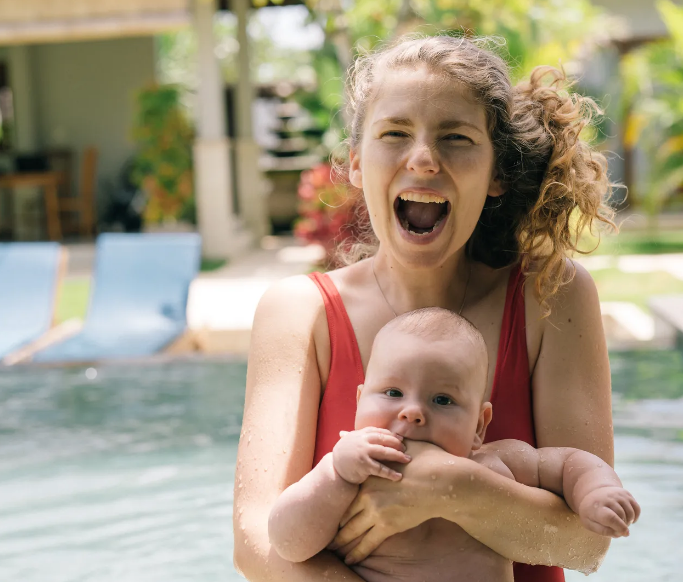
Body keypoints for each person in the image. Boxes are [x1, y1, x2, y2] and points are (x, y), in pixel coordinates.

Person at [234, 33, 617, 582]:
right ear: (357, 165)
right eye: (394, 133)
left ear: (496, 174)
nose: (423, 158)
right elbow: (254, 543)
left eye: (456, 138)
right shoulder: (300, 313)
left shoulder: (549, 295)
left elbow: (587, 547)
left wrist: (448, 488)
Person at [267, 308, 640, 582]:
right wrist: (335, 472)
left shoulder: (495, 462)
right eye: (393, 392)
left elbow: (571, 463)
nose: (413, 412)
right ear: (360, 400)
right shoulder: (351, 471)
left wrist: (597, 491)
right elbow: (287, 543)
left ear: (479, 425)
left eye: (442, 400)